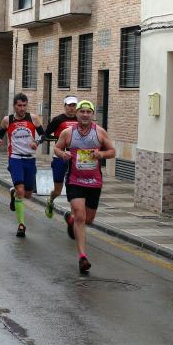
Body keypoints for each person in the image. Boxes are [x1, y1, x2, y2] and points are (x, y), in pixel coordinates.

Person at [54, 100, 115, 273]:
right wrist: (63, 154)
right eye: (82, 111)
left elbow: (112, 151)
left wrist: (101, 153)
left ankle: (70, 220)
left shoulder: (99, 132)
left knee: (88, 219)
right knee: (81, 216)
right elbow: (56, 148)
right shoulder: (68, 133)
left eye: (88, 112)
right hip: (75, 180)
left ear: (92, 114)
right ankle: (82, 257)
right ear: (77, 114)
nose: (85, 115)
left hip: (94, 181)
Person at [0, 93, 45, 237]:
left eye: (24, 105)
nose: (22, 109)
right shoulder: (7, 120)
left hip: (30, 159)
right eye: (19, 106)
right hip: (15, 158)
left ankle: (13, 192)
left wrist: (37, 142)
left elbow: (43, 135)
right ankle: (21, 225)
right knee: (21, 191)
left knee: (28, 194)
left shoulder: (33, 118)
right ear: (14, 106)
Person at [39, 95, 78, 218]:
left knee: (73, 188)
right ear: (64, 106)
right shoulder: (58, 119)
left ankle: (73, 215)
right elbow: (45, 134)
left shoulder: (80, 119)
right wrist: (40, 141)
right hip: (60, 157)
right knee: (58, 190)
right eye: (69, 105)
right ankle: (50, 201)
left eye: (74, 106)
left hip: (76, 158)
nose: (72, 108)